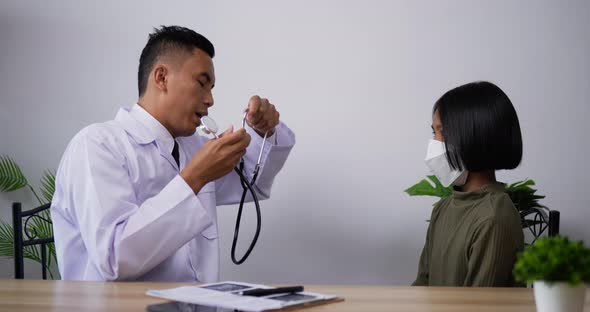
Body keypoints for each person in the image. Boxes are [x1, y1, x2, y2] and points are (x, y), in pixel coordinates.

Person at [50, 25, 295, 282]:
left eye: (212, 88)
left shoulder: (195, 148)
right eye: (202, 83)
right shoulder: (97, 145)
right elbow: (113, 258)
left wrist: (264, 130)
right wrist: (195, 177)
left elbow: (252, 182)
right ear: (161, 78)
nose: (211, 99)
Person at [412, 81, 524, 287]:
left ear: (475, 137)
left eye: (442, 132)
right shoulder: (443, 209)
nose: (434, 143)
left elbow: (477, 304)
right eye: (433, 133)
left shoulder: (493, 218)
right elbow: (422, 284)